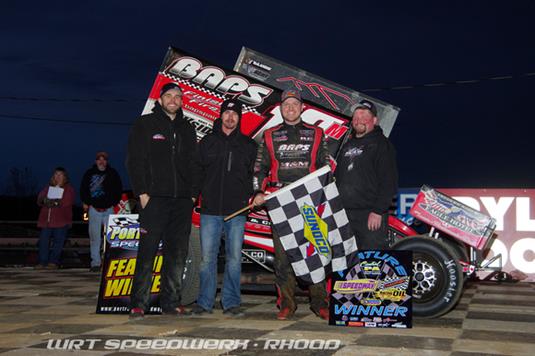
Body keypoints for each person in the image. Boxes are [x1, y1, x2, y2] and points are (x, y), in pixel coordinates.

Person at [252, 89, 330, 321]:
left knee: (315, 252)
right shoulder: (269, 134)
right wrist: (257, 191)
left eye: (295, 104)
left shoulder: (316, 133)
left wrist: (326, 196)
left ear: (302, 107)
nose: (291, 108)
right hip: (280, 202)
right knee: (283, 257)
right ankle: (287, 303)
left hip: (310, 201)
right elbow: (259, 168)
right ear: (281, 108)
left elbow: (325, 167)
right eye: (287, 104)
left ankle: (320, 303)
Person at [126, 82, 197, 320]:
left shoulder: (188, 128)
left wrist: (193, 194)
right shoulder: (145, 124)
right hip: (154, 200)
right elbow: (135, 161)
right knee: (146, 254)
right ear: (160, 99)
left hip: (182, 201)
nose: (174, 100)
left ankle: (171, 302)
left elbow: (193, 163)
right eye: (169, 96)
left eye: (178, 97)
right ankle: (138, 303)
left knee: (176, 255)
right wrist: (143, 194)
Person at [189, 99, 257, 317]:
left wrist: (254, 195)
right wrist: (192, 196)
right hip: (209, 211)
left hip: (237, 212)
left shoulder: (249, 145)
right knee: (207, 260)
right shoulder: (207, 142)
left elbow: (254, 176)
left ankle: (231, 302)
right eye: (227, 113)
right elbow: (197, 173)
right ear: (220, 116)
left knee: (234, 259)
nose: (230, 117)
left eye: (234, 114)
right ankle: (204, 303)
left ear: (239, 118)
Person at [334, 99, 398, 250]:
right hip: (345, 214)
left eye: (364, 116)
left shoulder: (382, 145)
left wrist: (377, 211)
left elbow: (389, 182)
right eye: (356, 117)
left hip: (370, 215)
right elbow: (339, 178)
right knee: (346, 262)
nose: (358, 120)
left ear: (374, 120)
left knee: (371, 262)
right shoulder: (347, 146)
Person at [80, 151, 123, 272]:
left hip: (109, 209)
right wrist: (86, 202)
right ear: (96, 161)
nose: (101, 161)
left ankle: (110, 262)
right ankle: (95, 263)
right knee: (95, 238)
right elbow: (83, 188)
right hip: (94, 209)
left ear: (107, 161)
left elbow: (118, 189)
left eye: (104, 159)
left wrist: (114, 202)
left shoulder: (113, 173)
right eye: (99, 159)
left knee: (111, 238)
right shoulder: (89, 173)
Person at [35, 167, 75, 269]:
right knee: (43, 241)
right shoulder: (48, 187)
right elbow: (39, 199)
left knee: (58, 242)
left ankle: (53, 262)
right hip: (46, 221)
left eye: (60, 174)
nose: (57, 177)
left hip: (61, 221)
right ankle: (42, 262)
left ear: (64, 177)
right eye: (56, 174)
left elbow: (66, 202)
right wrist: (45, 200)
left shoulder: (68, 189)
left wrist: (53, 202)